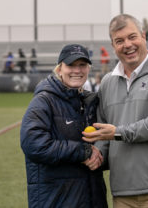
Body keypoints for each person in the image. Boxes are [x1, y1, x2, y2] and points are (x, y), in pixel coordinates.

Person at [82, 14, 148, 208]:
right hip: (123, 193)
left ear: (143, 36)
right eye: (119, 41)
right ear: (113, 46)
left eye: (132, 37)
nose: (127, 45)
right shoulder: (107, 82)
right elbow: (105, 132)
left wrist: (118, 133)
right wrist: (97, 153)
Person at [20, 44, 108, 208]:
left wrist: (99, 157)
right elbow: (33, 144)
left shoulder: (89, 102)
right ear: (59, 69)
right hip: (57, 201)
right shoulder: (44, 101)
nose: (77, 70)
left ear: (88, 69)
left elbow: (103, 143)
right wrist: (83, 152)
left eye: (82, 65)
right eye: (71, 65)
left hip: (91, 199)